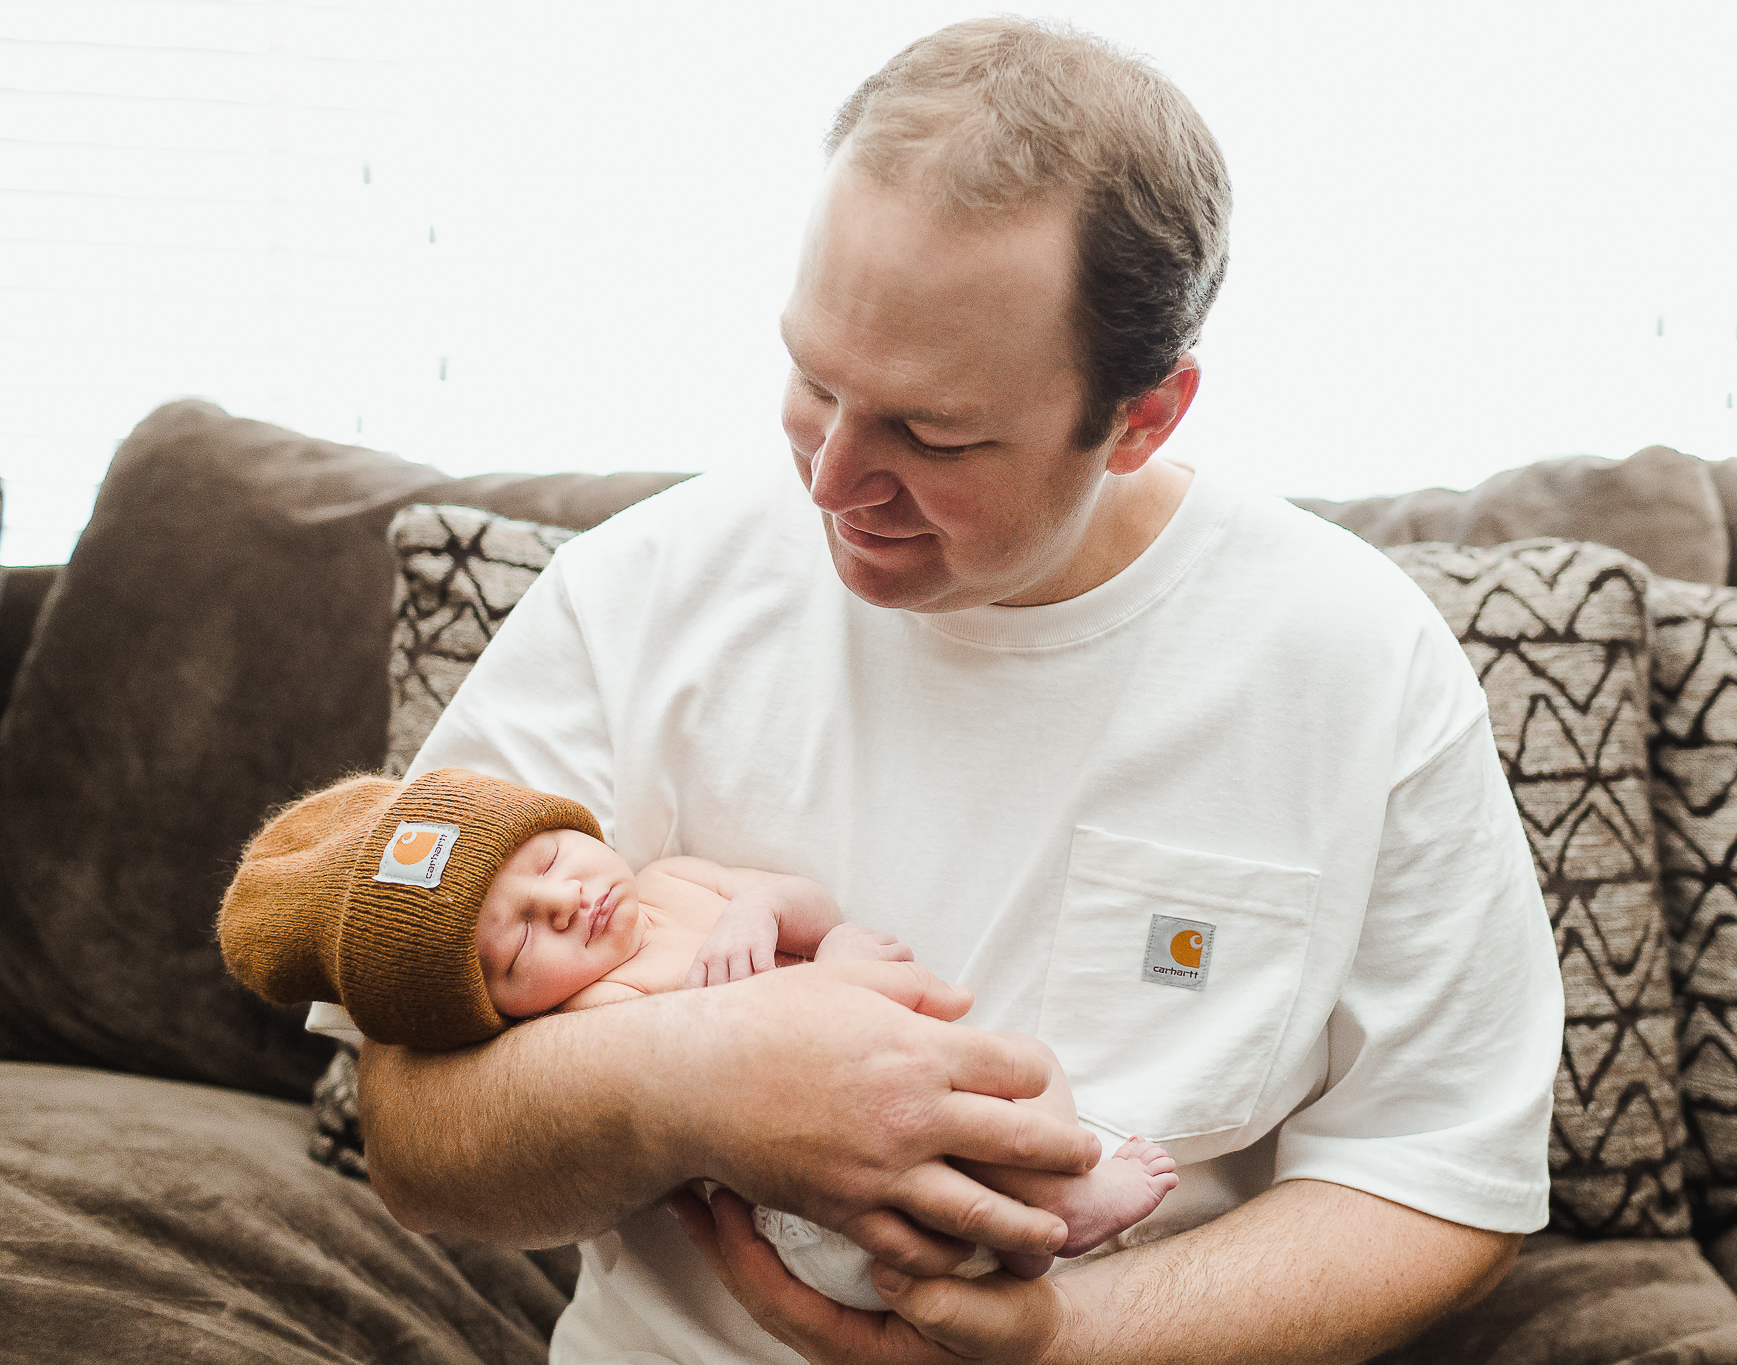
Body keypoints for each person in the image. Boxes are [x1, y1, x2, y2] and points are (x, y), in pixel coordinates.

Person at [347, 17, 1565, 1365]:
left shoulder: (1355, 662)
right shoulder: (632, 595)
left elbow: (1440, 1175)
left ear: (1145, 416)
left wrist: (1057, 1339)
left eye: (933, 434)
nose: (829, 482)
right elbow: (411, 1130)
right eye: (813, 379)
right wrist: (697, 1084)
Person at [217, 767, 1178, 1308]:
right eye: (517, 944)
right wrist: (823, 999)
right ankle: (1032, 1232)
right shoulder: (594, 1012)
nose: (567, 901)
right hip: (809, 1197)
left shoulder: (679, 881)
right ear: (502, 1014)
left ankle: (1055, 1216)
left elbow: (805, 909)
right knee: (882, 1232)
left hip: (915, 1067)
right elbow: (709, 1079)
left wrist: (798, 926)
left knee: (1029, 1070)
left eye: (549, 859)